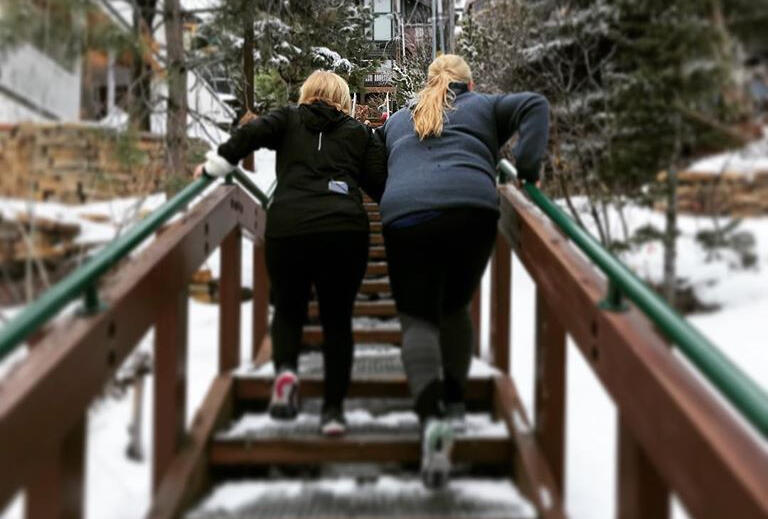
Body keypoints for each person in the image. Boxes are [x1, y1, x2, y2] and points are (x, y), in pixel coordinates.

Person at [377, 54, 549, 488]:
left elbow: (371, 156)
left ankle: (431, 418)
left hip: (406, 217)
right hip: (472, 210)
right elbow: (535, 104)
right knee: (454, 308)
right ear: (469, 85)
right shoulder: (484, 106)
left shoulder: (399, 119)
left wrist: (393, 189)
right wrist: (527, 168)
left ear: (428, 83)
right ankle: (454, 403)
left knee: (418, 319)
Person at [195, 70, 387, 436]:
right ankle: (333, 412)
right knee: (337, 320)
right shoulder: (358, 132)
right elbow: (379, 184)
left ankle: (285, 374)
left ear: (307, 93)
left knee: (287, 308)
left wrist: (218, 164)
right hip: (343, 231)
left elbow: (250, 133)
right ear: (343, 98)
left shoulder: (287, 119)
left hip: (289, 227)